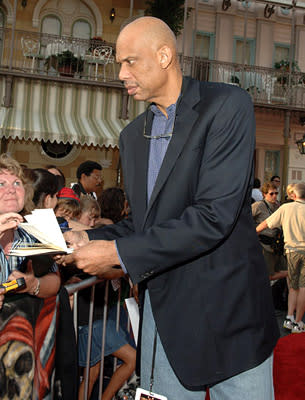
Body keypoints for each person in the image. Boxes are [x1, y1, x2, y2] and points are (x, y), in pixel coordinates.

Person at [56, 17, 279, 400]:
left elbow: (214, 216)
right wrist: (87, 236)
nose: (121, 73)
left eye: (130, 61)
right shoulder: (132, 136)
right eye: (119, 64)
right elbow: (145, 224)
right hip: (165, 320)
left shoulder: (226, 105)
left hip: (232, 318)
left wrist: (117, 254)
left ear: (164, 55)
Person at [0, 154, 61, 398]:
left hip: (25, 355)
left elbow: (55, 281)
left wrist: (33, 285)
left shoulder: (32, 232)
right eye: (1, 184)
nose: (11, 190)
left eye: (17, 183)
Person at [256, 183, 305, 333]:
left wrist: (251, 234)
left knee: (293, 286)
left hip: (290, 250)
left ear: (294, 195)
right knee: (303, 288)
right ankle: (298, 322)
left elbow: (265, 224)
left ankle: (289, 318)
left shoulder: (285, 208)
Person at [252, 181, 287, 280]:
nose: (274, 196)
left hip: (277, 244)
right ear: (264, 194)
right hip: (264, 244)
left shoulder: (278, 206)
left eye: (276, 193)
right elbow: (246, 219)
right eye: (271, 193)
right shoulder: (258, 205)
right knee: (269, 274)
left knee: (281, 269)